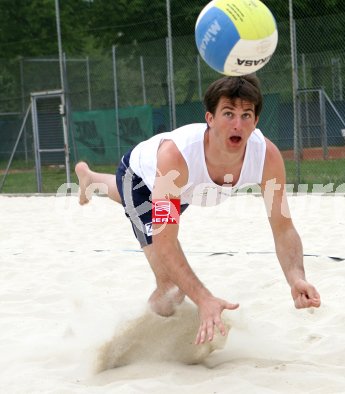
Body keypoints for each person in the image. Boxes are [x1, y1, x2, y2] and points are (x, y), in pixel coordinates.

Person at [75, 74, 321, 345]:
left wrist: (296, 277)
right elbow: (165, 241)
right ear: (210, 118)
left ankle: (90, 180)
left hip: (187, 188)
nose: (238, 124)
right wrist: (203, 298)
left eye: (246, 115)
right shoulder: (177, 157)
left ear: (256, 122)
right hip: (140, 178)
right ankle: (133, 346)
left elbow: (283, 228)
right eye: (228, 113)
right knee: (172, 288)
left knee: (141, 207)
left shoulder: (267, 157)